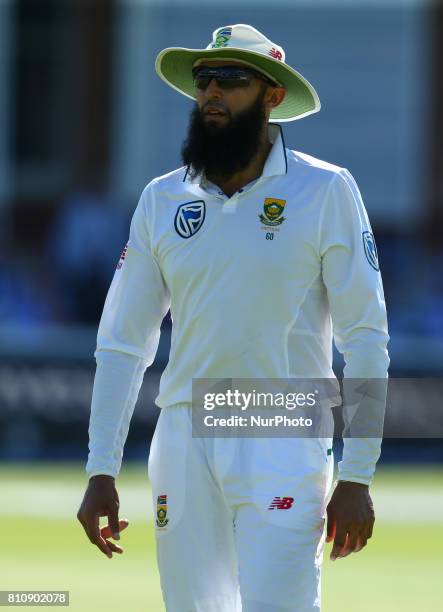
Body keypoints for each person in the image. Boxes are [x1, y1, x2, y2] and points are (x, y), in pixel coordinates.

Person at [77, 24, 389, 612]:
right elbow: (123, 343)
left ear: (273, 97)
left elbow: (366, 337)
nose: (212, 93)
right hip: (184, 429)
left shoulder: (326, 191)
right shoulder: (162, 199)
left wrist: (358, 475)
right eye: (204, 80)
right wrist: (101, 469)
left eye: (232, 80)